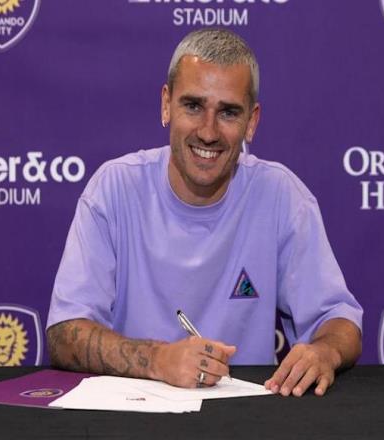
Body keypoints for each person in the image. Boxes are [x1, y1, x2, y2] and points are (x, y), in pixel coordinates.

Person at [46, 28, 362, 397]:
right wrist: (159, 360)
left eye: (228, 112)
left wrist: (324, 351)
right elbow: (65, 334)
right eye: (193, 106)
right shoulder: (113, 188)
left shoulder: (281, 195)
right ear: (166, 105)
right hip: (131, 412)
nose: (208, 132)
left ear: (252, 122)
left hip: (249, 414)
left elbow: (339, 321)